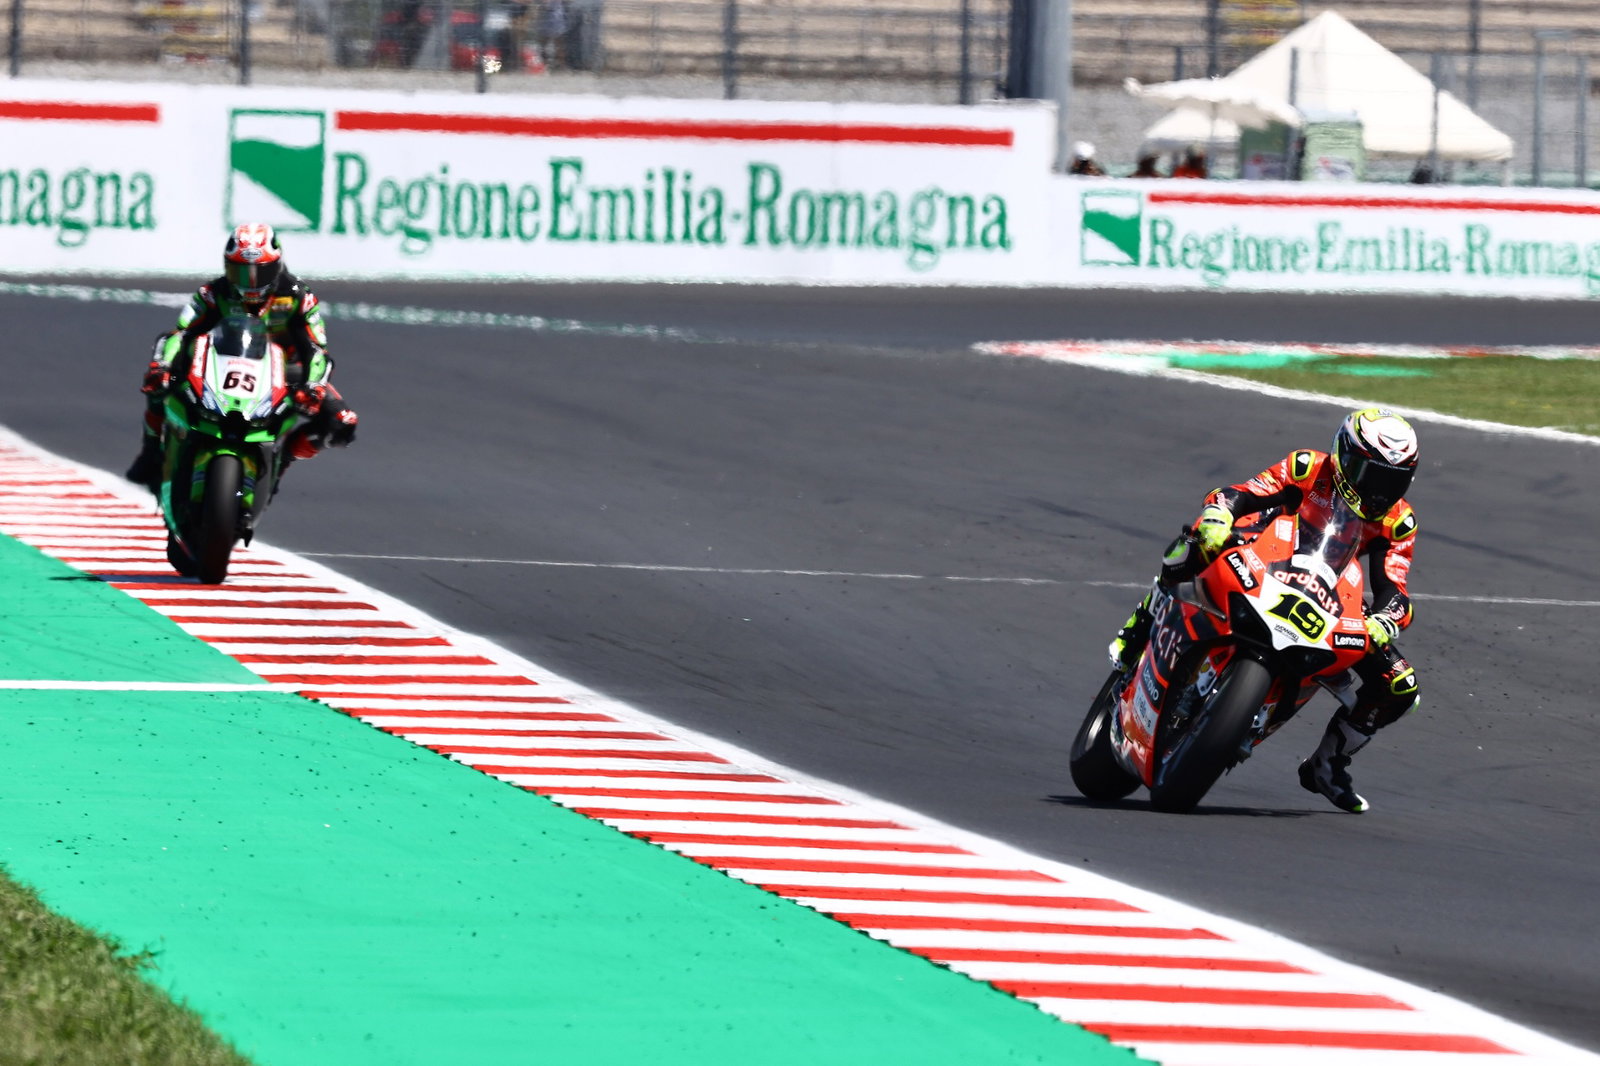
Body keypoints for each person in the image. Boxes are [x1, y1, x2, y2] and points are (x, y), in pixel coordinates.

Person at [1106, 408, 1422, 813]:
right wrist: (1220, 514)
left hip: (1326, 589)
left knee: (1400, 686)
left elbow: (1394, 588)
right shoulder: (1308, 467)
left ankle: (1327, 763)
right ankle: (1138, 630)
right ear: (1343, 456)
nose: (1380, 489)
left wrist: (1385, 620)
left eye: (1394, 479)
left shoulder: (1399, 522)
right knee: (1198, 543)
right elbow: (1242, 493)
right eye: (1370, 473)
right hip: (1266, 551)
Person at [124, 223, 358, 490]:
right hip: (218, 362)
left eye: (262, 272)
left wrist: (314, 385)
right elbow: (179, 334)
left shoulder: (299, 297)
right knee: (158, 385)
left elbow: (318, 349)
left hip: (285, 371)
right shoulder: (212, 293)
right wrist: (161, 365)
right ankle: (151, 451)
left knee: (342, 422)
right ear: (227, 268)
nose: (251, 282)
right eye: (241, 272)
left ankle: (282, 461)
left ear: (277, 265)